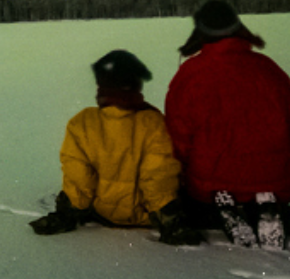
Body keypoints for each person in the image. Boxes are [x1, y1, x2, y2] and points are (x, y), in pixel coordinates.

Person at [164, 0, 290, 250]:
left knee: (200, 190)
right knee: (260, 179)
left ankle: (225, 201)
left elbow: (178, 137)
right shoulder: (268, 69)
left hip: (208, 181)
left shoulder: (190, 74)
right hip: (274, 177)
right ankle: (264, 199)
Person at [31, 49, 202, 245]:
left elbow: (79, 178)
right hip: (145, 216)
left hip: (102, 213)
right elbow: (158, 177)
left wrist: (67, 213)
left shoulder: (82, 123)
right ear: (136, 84)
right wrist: (171, 220)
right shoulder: (153, 122)